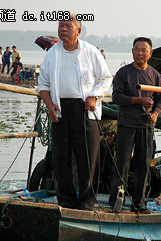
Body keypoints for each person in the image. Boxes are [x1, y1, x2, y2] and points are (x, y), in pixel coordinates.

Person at [36, 15, 112, 210]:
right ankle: (66, 201)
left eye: (68, 26)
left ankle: (87, 202)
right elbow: (43, 84)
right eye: (60, 26)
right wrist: (49, 104)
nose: (63, 29)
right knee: (61, 159)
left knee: (88, 158)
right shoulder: (52, 53)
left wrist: (94, 95)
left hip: (85, 110)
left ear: (78, 31)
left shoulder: (90, 51)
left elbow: (105, 78)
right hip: (60, 110)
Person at [109, 37, 161, 213]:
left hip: (146, 126)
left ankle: (138, 204)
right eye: (137, 50)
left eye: (144, 50)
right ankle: (115, 201)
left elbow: (160, 100)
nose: (140, 53)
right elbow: (116, 98)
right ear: (132, 51)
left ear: (150, 53)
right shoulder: (123, 73)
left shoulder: (155, 75)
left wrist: (155, 113)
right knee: (122, 164)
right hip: (126, 125)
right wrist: (139, 100)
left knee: (143, 166)